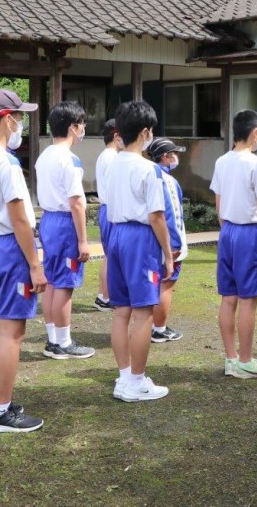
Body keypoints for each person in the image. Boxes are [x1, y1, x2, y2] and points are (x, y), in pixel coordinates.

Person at [0, 89, 46, 433]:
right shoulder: (5, 162)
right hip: (11, 249)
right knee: (12, 333)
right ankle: (1, 411)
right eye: (19, 115)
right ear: (5, 118)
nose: (22, 122)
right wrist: (35, 263)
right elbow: (19, 219)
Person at [103, 101, 174, 402]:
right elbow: (157, 216)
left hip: (116, 233)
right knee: (143, 312)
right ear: (145, 132)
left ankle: (124, 377)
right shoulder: (149, 169)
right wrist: (169, 254)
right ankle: (136, 381)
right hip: (139, 237)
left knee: (121, 311)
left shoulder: (112, 161)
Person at [210, 110, 257, 380]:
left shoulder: (221, 162)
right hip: (249, 233)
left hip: (227, 230)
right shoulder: (256, 164)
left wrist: (226, 229)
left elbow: (218, 204)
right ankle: (246, 361)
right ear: (255, 133)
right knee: (248, 299)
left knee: (228, 298)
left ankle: (231, 360)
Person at [35, 101, 95, 361]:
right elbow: (77, 202)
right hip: (64, 222)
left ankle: (53, 339)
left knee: (52, 281)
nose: (83, 129)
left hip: (48, 219)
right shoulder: (70, 159)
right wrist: (83, 240)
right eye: (82, 124)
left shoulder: (45, 154)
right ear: (73, 127)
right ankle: (64, 342)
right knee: (65, 285)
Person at [147, 137, 188, 343]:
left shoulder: (146, 175)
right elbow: (172, 217)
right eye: (174, 154)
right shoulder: (168, 181)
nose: (176, 158)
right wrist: (175, 246)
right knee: (166, 285)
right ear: (165, 157)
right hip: (167, 243)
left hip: (148, 241)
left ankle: (149, 325)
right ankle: (159, 329)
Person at [93, 119, 120, 311]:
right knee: (111, 256)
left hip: (107, 209)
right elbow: (115, 187)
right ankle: (106, 296)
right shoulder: (112, 157)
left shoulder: (106, 155)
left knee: (108, 255)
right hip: (112, 209)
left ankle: (104, 295)